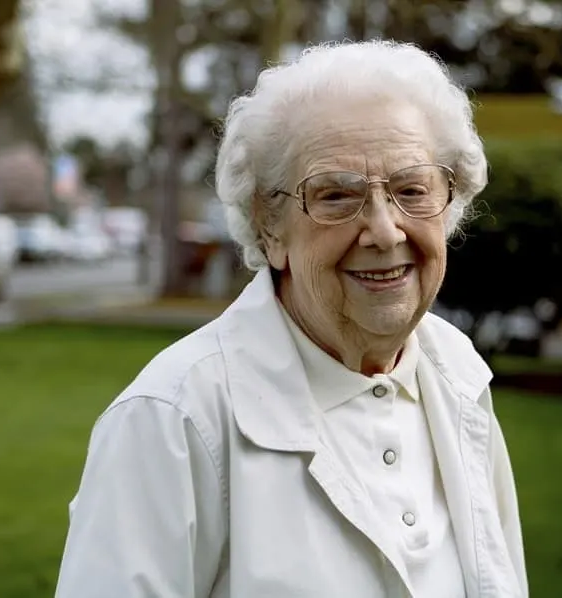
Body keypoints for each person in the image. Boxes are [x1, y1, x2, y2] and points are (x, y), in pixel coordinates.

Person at [55, 40, 528, 598]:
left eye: (411, 190)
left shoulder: (458, 376)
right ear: (269, 224)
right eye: (335, 196)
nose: (384, 231)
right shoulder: (174, 418)